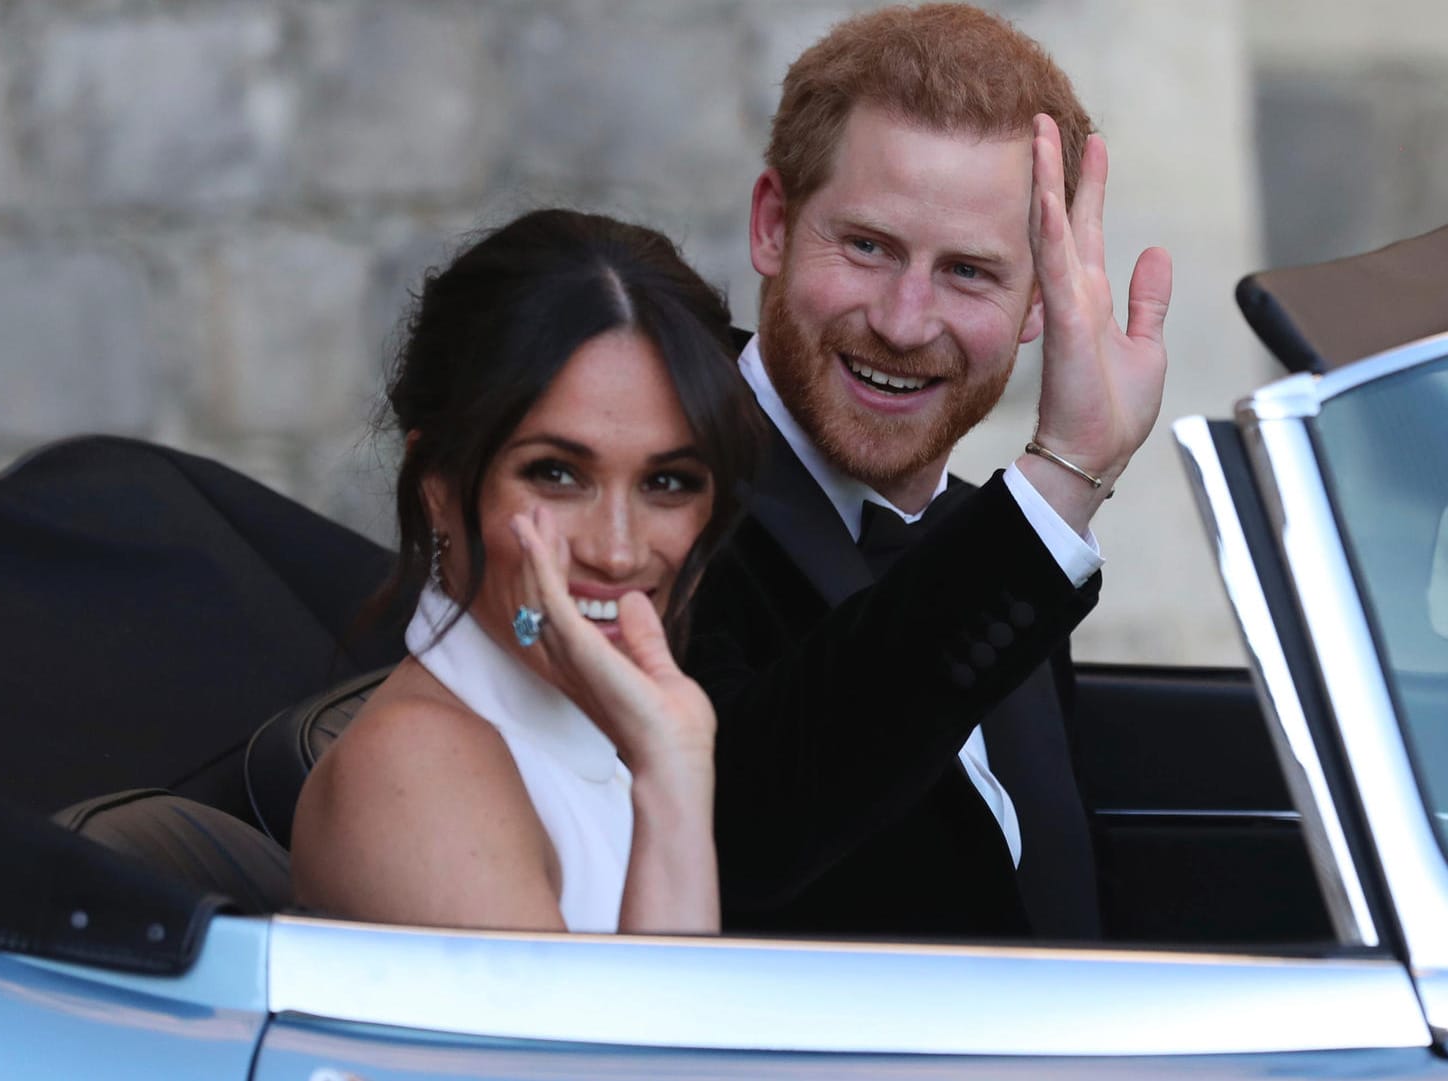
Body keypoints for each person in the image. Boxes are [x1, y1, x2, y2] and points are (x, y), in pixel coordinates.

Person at [685, 4, 1173, 939]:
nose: (906, 322)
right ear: (773, 227)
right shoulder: (660, 494)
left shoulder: (989, 538)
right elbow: (741, 833)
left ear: (1039, 305)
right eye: (867, 247)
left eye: (969, 273)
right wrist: (1066, 476)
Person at [291, 209, 762, 933]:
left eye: (667, 483)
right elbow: (635, 1053)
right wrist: (672, 776)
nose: (616, 549)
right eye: (556, 474)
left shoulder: (595, 736)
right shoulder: (416, 766)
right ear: (439, 488)